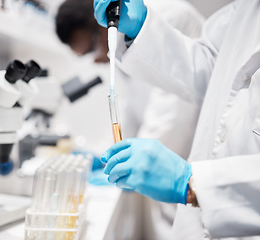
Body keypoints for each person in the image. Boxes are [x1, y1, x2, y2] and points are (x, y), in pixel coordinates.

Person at [94, 0, 260, 239]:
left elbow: (170, 118)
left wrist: (193, 183)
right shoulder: (251, 7)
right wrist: (141, 31)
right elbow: (212, 66)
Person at [56, 0, 205, 239]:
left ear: (105, 23)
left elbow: (172, 114)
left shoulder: (169, 17)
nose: (95, 60)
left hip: (193, 162)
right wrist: (104, 155)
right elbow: (133, 110)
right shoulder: (124, 46)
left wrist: (131, 161)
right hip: (175, 167)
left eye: (92, 49)